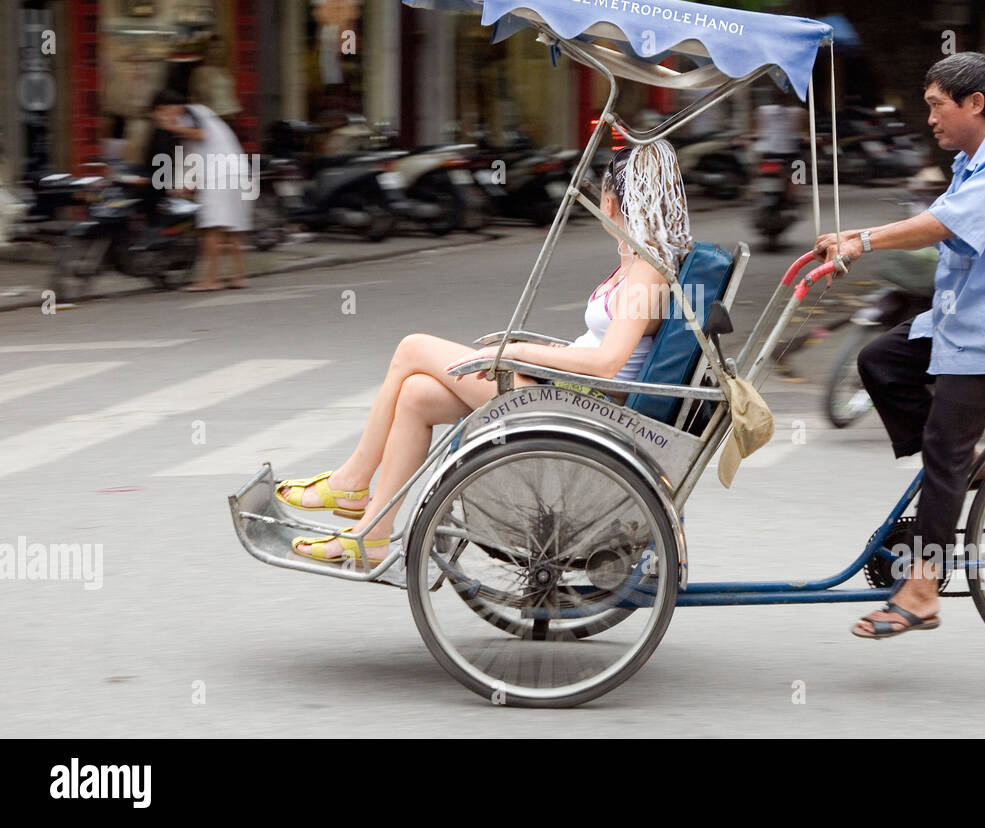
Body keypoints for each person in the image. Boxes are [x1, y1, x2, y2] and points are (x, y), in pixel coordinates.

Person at [281, 140, 693, 563]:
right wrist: (529, 350)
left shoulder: (646, 271)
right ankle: (373, 531)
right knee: (416, 395)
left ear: (610, 203)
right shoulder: (637, 260)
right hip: (569, 391)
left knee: (412, 348)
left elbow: (607, 363)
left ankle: (352, 480)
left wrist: (519, 351)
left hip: (583, 405)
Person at [814, 52, 985, 638]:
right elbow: (942, 221)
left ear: (975, 104)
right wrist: (857, 239)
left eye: (935, 106)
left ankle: (922, 590)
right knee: (879, 359)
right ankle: (966, 462)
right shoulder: (972, 160)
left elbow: (947, 224)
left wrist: (862, 240)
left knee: (942, 453)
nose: (929, 119)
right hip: (957, 321)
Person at [150, 89, 253, 291]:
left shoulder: (188, 115)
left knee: (212, 228)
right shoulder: (202, 112)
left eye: (161, 113)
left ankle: (210, 280)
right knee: (233, 229)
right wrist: (188, 185)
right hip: (238, 170)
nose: (161, 119)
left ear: (166, 108)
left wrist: (171, 126)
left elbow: (201, 135)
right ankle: (239, 277)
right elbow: (201, 154)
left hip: (221, 174)